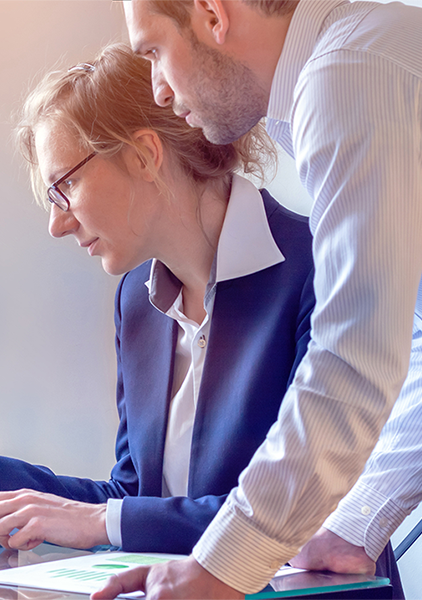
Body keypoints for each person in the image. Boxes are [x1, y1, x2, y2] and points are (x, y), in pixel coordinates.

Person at [0, 41, 357, 576]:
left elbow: (305, 517)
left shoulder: (322, 270)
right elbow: (131, 497)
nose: (57, 224)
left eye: (65, 186)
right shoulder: (138, 300)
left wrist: (104, 523)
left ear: (144, 154)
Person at [92, 0, 422, 598]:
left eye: (154, 52)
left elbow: (354, 355)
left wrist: (224, 566)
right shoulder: (340, 75)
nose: (158, 91)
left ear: (212, 14)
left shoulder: (348, 72)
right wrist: (354, 524)